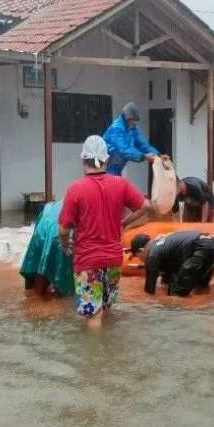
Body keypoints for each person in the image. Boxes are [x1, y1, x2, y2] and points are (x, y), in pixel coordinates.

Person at [58, 135, 154, 321]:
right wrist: (124, 223)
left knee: (93, 315)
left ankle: (96, 350)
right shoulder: (120, 184)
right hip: (113, 260)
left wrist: (65, 244)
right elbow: (146, 207)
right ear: (106, 159)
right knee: (107, 312)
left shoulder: (75, 189)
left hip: (88, 261)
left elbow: (63, 230)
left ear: (83, 160)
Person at [129, 231, 214, 296]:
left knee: (176, 294)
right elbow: (169, 274)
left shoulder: (151, 255)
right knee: (200, 288)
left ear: (141, 251)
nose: (142, 261)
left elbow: (149, 291)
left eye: (139, 257)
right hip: (211, 243)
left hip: (200, 250)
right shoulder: (162, 243)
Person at [20, 200, 74, 297]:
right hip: (59, 235)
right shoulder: (81, 205)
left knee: (41, 267)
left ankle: (35, 298)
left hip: (40, 235)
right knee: (62, 276)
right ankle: (59, 300)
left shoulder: (51, 205)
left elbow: (38, 226)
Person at [103, 102, 161, 176]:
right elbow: (124, 149)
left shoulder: (133, 128)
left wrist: (158, 154)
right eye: (133, 120)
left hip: (118, 167)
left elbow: (142, 144)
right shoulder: (116, 128)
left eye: (135, 120)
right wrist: (143, 157)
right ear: (127, 118)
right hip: (106, 167)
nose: (134, 122)